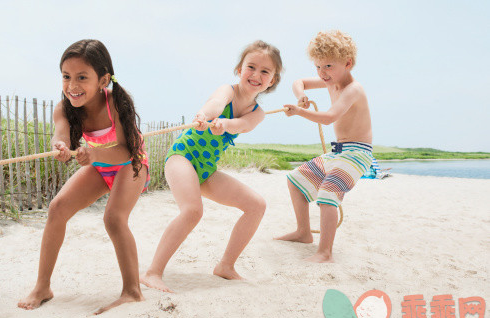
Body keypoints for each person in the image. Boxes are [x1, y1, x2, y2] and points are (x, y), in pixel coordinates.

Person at [18, 39, 150, 314]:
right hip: (100, 164)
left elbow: (126, 151)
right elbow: (61, 134)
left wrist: (94, 155)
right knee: (57, 208)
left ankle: (132, 291)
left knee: (114, 218)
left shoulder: (115, 103)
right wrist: (61, 147)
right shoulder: (63, 108)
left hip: (131, 164)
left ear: (103, 80)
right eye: (66, 77)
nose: (72, 86)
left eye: (81, 78)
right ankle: (43, 286)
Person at [140, 40, 283, 292]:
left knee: (256, 205)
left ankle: (225, 266)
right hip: (182, 157)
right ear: (239, 69)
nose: (256, 75)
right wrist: (205, 117)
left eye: (265, 71)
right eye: (251, 67)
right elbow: (216, 103)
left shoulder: (257, 113)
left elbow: (243, 125)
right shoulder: (227, 90)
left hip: (206, 169)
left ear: (272, 80)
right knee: (193, 211)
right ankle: (152, 272)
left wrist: (224, 125)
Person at [275, 30, 373, 263]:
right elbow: (298, 82)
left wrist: (300, 112)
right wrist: (301, 96)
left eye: (328, 66)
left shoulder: (353, 89)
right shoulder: (330, 81)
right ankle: (303, 232)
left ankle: (325, 252)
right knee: (295, 180)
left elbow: (329, 117)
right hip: (338, 152)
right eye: (318, 67)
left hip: (358, 153)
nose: (322, 73)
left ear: (347, 63)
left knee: (328, 193)